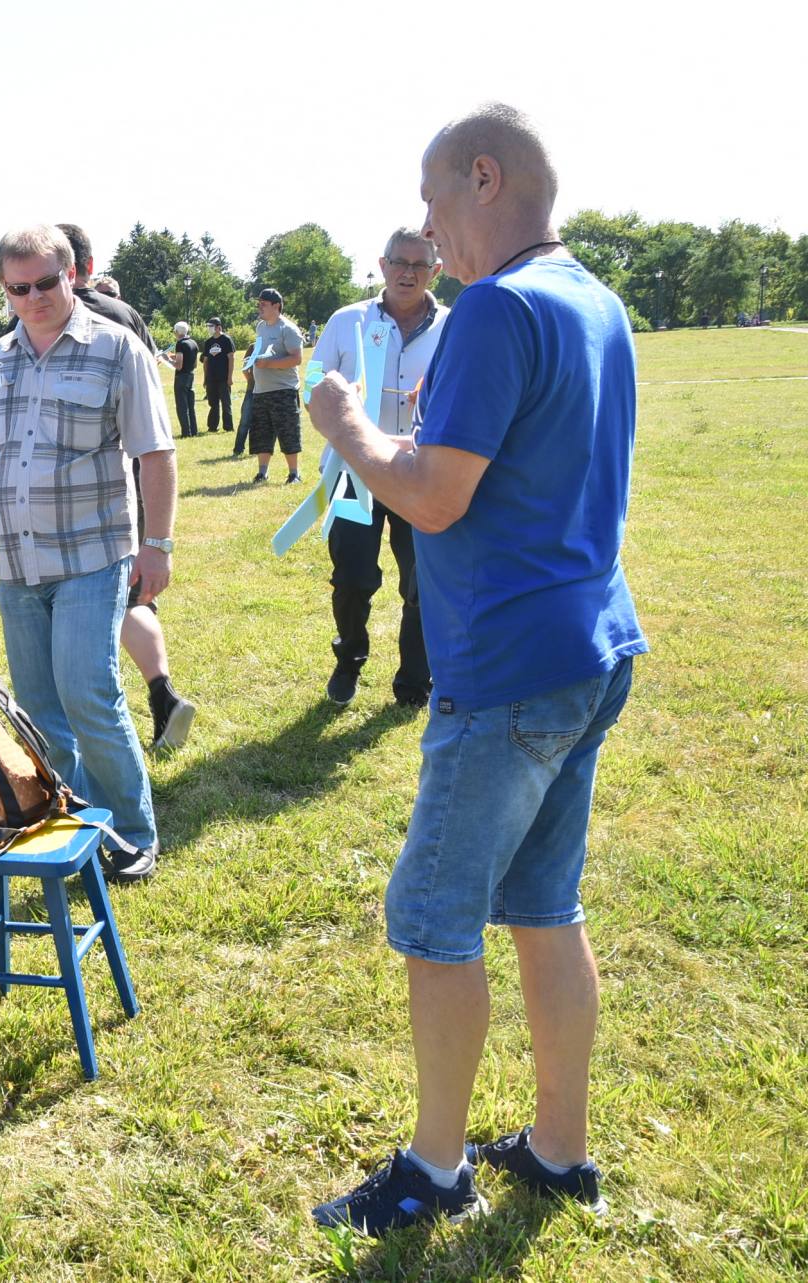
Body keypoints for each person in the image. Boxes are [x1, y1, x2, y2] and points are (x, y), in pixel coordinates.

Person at [307, 103, 648, 1235]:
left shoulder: (498, 306)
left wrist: (347, 424)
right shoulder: (594, 299)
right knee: (547, 905)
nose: (425, 225)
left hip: (506, 666)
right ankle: (559, 1148)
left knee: (435, 919)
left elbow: (433, 493)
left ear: (486, 180)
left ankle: (434, 1168)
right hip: (589, 644)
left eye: (434, 195)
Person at [0, 225, 177, 883]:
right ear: (4, 289)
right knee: (40, 709)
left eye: (47, 282)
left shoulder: (116, 348)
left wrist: (157, 546)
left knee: (87, 691)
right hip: (18, 563)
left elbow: (155, 454)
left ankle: (131, 833)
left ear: (71, 274)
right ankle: (74, 823)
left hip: (93, 552)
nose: (36, 297)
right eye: (20, 288)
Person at [56, 221, 197, 753]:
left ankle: (139, 707)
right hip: (138, 471)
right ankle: (161, 694)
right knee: (134, 594)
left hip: (84, 487)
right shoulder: (127, 314)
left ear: (68, 270)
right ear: (92, 264)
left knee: (94, 599)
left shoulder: (55, 317)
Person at [310, 228, 448, 709]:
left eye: (419, 264)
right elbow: (312, 380)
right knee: (351, 578)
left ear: (437, 270)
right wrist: (333, 393)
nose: (407, 273)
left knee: (424, 583)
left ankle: (415, 681)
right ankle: (349, 660)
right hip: (354, 470)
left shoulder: (456, 327)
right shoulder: (348, 320)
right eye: (399, 262)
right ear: (383, 264)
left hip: (423, 472)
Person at [246, 288, 306, 483]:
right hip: (261, 391)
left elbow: (296, 358)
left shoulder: (287, 329)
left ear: (276, 306)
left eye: (263, 303)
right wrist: (250, 363)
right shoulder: (261, 327)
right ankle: (262, 472)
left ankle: (294, 474)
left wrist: (269, 364)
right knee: (262, 433)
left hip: (283, 390)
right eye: (259, 303)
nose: (259, 307)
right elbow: (260, 351)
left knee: (288, 432)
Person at [200, 319, 235, 436]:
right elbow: (205, 361)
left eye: (211, 326)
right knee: (213, 403)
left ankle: (228, 427)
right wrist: (205, 378)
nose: (209, 328)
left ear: (218, 327)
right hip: (211, 378)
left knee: (226, 403)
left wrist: (230, 377)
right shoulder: (208, 342)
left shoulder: (226, 340)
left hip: (223, 377)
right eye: (208, 326)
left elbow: (231, 358)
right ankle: (212, 426)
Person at [171, 321, 201, 438]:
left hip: (181, 377)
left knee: (182, 406)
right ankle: (193, 430)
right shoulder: (193, 343)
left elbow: (179, 365)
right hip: (190, 375)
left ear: (177, 332)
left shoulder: (180, 344)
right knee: (190, 405)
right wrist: (172, 356)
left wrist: (166, 360)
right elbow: (191, 361)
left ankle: (186, 432)